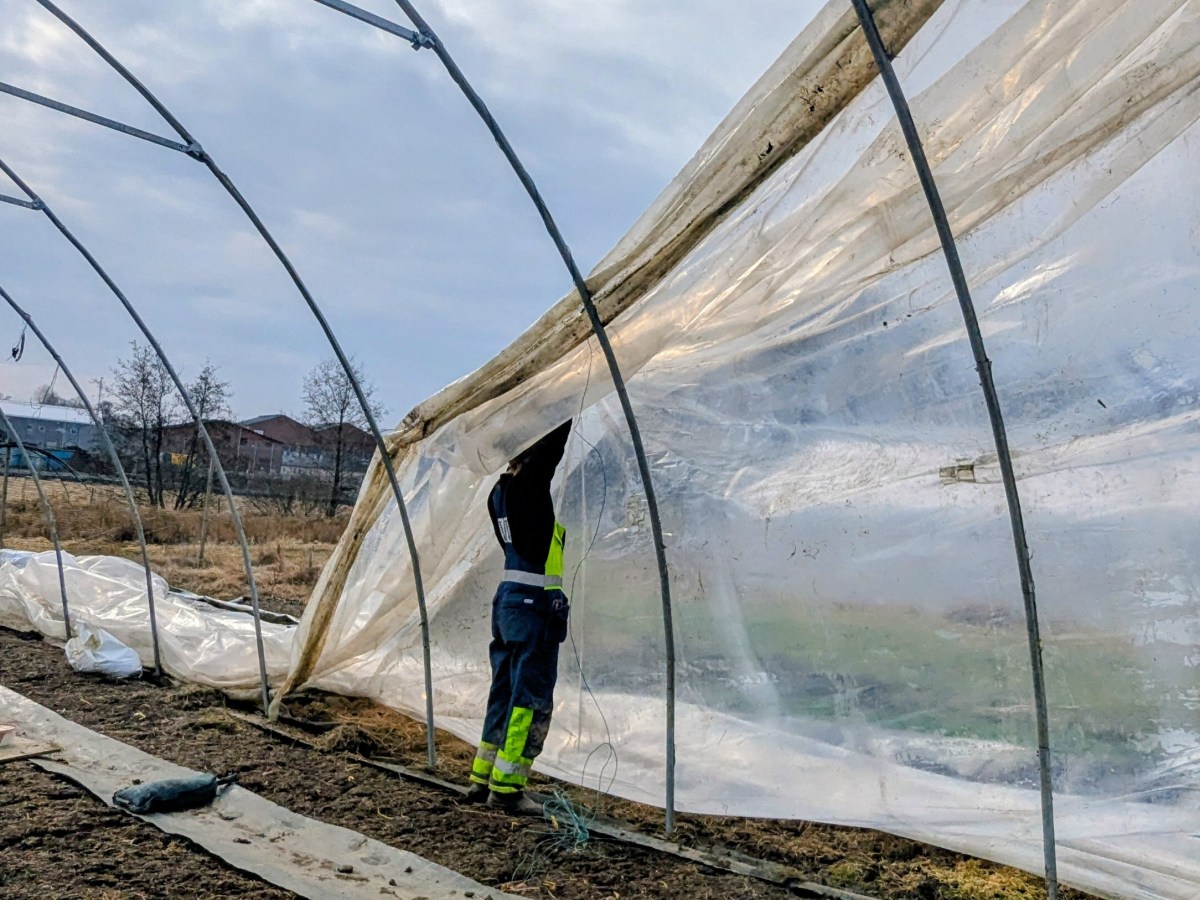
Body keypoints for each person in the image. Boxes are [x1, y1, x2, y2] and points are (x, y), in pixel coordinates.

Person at [466, 419, 573, 815]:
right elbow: (551, 452)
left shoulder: (499, 492)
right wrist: (565, 408)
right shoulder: (528, 486)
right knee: (529, 697)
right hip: (532, 606)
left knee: (504, 692)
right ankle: (508, 788)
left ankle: (484, 776)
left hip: (508, 601)